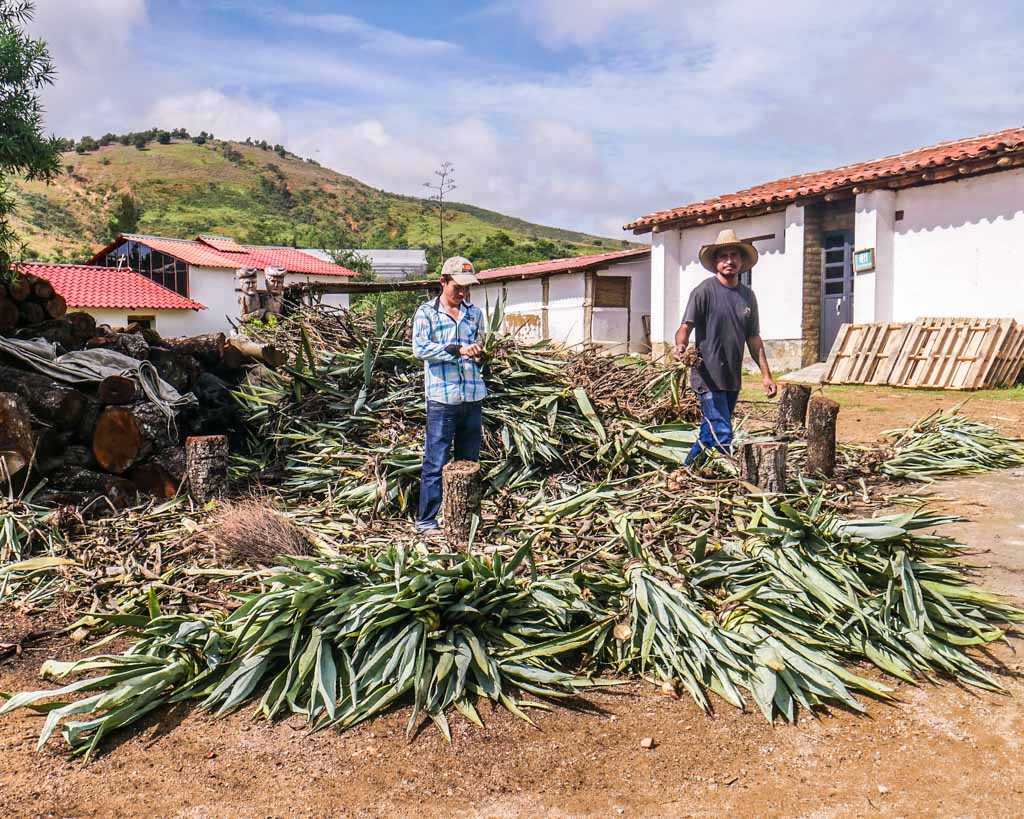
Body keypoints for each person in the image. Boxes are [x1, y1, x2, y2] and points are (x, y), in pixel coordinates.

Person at [674, 228, 777, 465]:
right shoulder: (704, 291)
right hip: (707, 376)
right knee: (722, 433)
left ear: (741, 261)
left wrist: (766, 376)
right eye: (723, 256)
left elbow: (754, 338)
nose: (729, 260)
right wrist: (680, 346)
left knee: (709, 434)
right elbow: (685, 327)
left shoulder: (748, 296)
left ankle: (686, 471)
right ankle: (727, 480)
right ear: (716, 262)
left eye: (734, 255)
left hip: (732, 377)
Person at [412, 256, 487, 536]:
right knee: (436, 460)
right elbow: (421, 349)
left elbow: (481, 345)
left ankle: (464, 520)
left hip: (472, 396)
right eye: (458, 287)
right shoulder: (426, 313)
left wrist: (480, 355)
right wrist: (457, 349)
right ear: (443, 282)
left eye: (467, 288)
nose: (463, 293)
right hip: (442, 400)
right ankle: (427, 520)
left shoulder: (475, 313)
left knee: (469, 462)